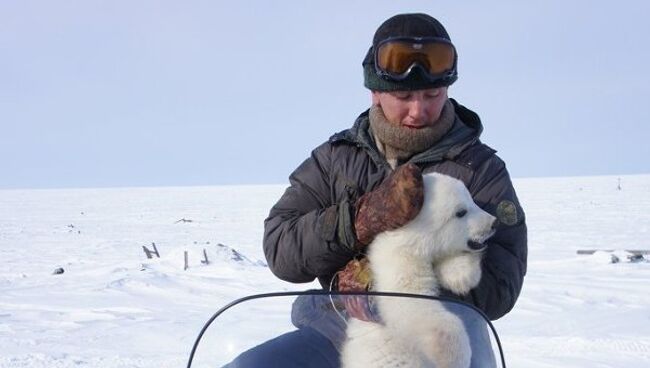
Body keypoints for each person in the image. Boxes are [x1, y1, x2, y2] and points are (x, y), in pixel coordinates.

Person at [227, 12, 527, 368]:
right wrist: (356, 222)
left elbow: (501, 283)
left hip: (441, 336)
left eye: (432, 94)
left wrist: (392, 287)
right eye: (404, 96)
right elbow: (280, 248)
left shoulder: (480, 170)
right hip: (342, 329)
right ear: (376, 92)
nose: (419, 110)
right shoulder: (335, 160)